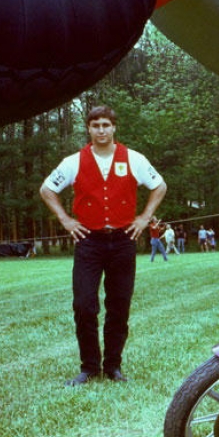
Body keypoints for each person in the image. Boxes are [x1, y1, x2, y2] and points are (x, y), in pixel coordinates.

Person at [39, 104, 166, 386]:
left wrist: (145, 218)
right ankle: (89, 367)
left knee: (119, 305)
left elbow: (160, 186)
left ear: (114, 127)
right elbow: (47, 189)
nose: (101, 130)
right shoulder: (73, 162)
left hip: (123, 240)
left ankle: (113, 366)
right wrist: (65, 220)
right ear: (88, 128)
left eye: (106, 125)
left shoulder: (133, 159)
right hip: (89, 242)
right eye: (95, 125)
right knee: (84, 305)